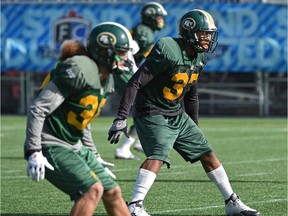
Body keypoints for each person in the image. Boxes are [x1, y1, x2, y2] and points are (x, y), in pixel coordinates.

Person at [108, 9, 261, 216]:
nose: (208, 38)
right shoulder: (167, 49)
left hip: (175, 111)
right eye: (204, 33)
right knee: (158, 155)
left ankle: (231, 202)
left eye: (209, 34)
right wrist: (121, 117)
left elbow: (192, 95)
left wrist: (194, 127)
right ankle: (134, 205)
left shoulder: (199, 55)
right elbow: (135, 82)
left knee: (207, 153)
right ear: (190, 32)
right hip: (151, 110)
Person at [24, 22, 138, 216]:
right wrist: (34, 150)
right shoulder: (80, 67)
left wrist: (93, 155)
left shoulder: (108, 79)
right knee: (92, 190)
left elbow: (83, 121)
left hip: (73, 144)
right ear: (104, 50)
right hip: (51, 143)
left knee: (112, 192)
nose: (125, 58)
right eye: (121, 52)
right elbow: (39, 107)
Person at [114, 1, 168, 160]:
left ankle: (135, 142)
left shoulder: (145, 30)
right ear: (150, 17)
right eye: (158, 17)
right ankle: (125, 147)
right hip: (125, 73)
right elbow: (131, 50)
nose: (161, 21)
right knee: (149, 105)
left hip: (128, 72)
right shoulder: (145, 32)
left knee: (147, 107)